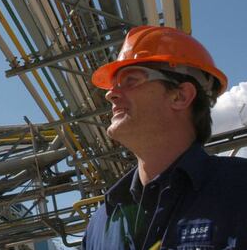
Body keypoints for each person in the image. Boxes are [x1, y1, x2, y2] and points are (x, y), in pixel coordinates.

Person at [82, 26, 247, 250]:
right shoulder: (102, 224)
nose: (111, 94)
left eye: (130, 80)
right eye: (113, 85)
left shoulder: (239, 189)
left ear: (180, 96)